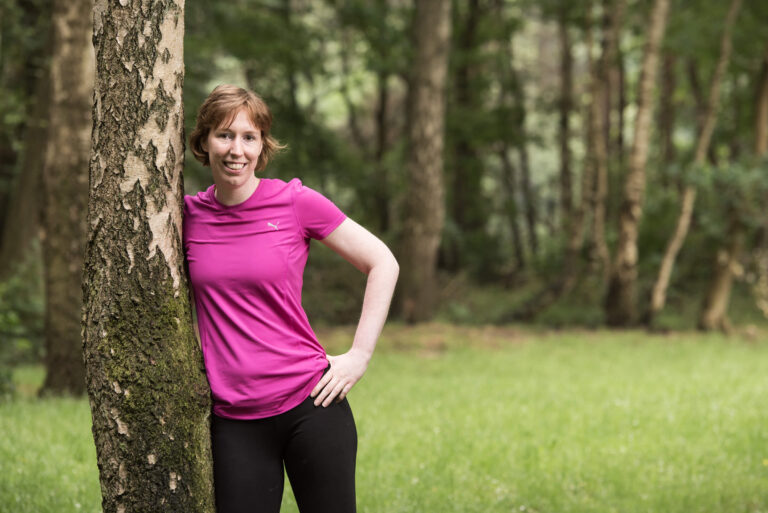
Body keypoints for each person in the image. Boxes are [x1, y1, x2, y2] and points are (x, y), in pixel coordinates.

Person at [183, 84, 399, 513]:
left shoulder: (295, 202)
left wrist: (359, 355)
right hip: (234, 419)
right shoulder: (186, 215)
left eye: (249, 137)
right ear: (204, 142)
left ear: (262, 145)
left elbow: (382, 261)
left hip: (311, 405)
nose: (236, 150)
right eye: (224, 135)